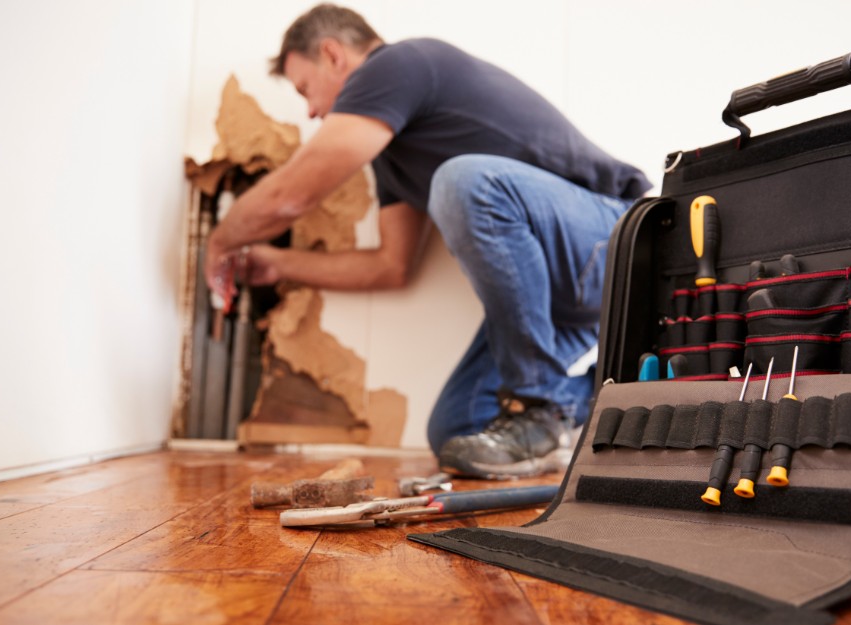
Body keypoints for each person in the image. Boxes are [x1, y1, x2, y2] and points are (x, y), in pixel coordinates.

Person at [205, 4, 652, 479]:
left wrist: (220, 240)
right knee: (458, 428)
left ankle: (539, 408)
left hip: (613, 242)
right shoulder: (391, 157)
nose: (312, 111)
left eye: (305, 90)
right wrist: (277, 264)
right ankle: (627, 401)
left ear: (333, 55)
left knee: (463, 181)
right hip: (556, 300)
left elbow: (295, 194)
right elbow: (391, 265)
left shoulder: (398, 65)